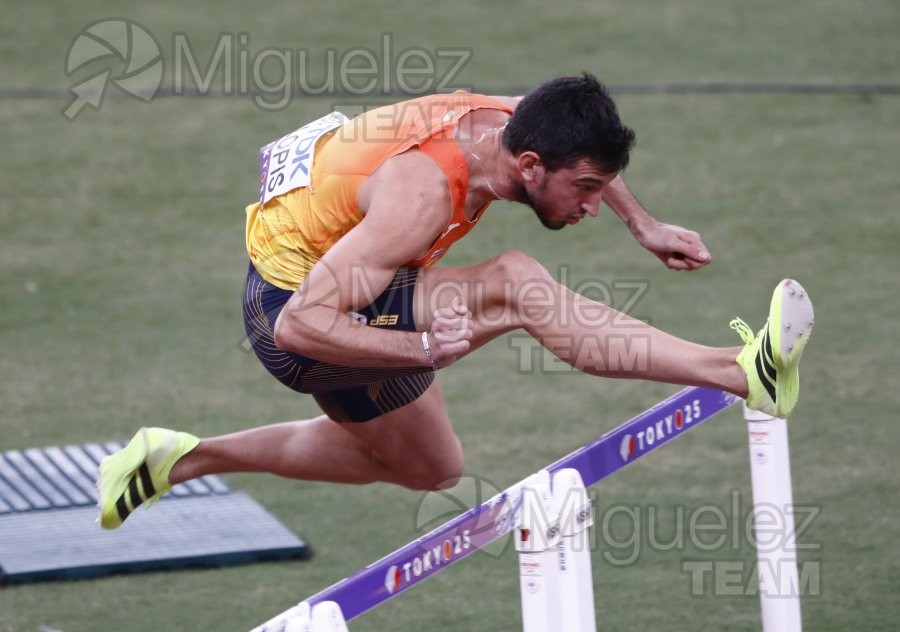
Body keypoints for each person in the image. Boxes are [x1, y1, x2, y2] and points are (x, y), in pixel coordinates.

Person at [98, 74, 813, 530]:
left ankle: (178, 461)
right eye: (587, 191)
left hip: (353, 279)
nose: (592, 205)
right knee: (513, 284)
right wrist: (417, 349)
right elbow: (301, 326)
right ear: (529, 167)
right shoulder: (422, 192)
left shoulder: (511, 121)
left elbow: (575, 143)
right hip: (293, 310)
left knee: (428, 468)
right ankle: (740, 370)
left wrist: (643, 223)